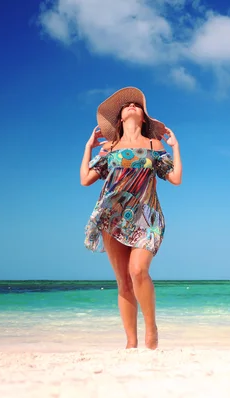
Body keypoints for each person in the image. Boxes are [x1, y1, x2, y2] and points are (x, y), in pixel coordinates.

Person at [79, 87, 183, 349]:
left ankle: (151, 329)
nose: (132, 106)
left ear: (144, 118)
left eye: (137, 105)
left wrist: (176, 148)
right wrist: (89, 148)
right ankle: (130, 342)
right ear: (121, 118)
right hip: (112, 216)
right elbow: (85, 180)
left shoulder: (153, 145)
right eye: (127, 106)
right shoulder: (110, 147)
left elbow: (175, 178)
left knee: (138, 271)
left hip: (146, 216)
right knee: (123, 281)